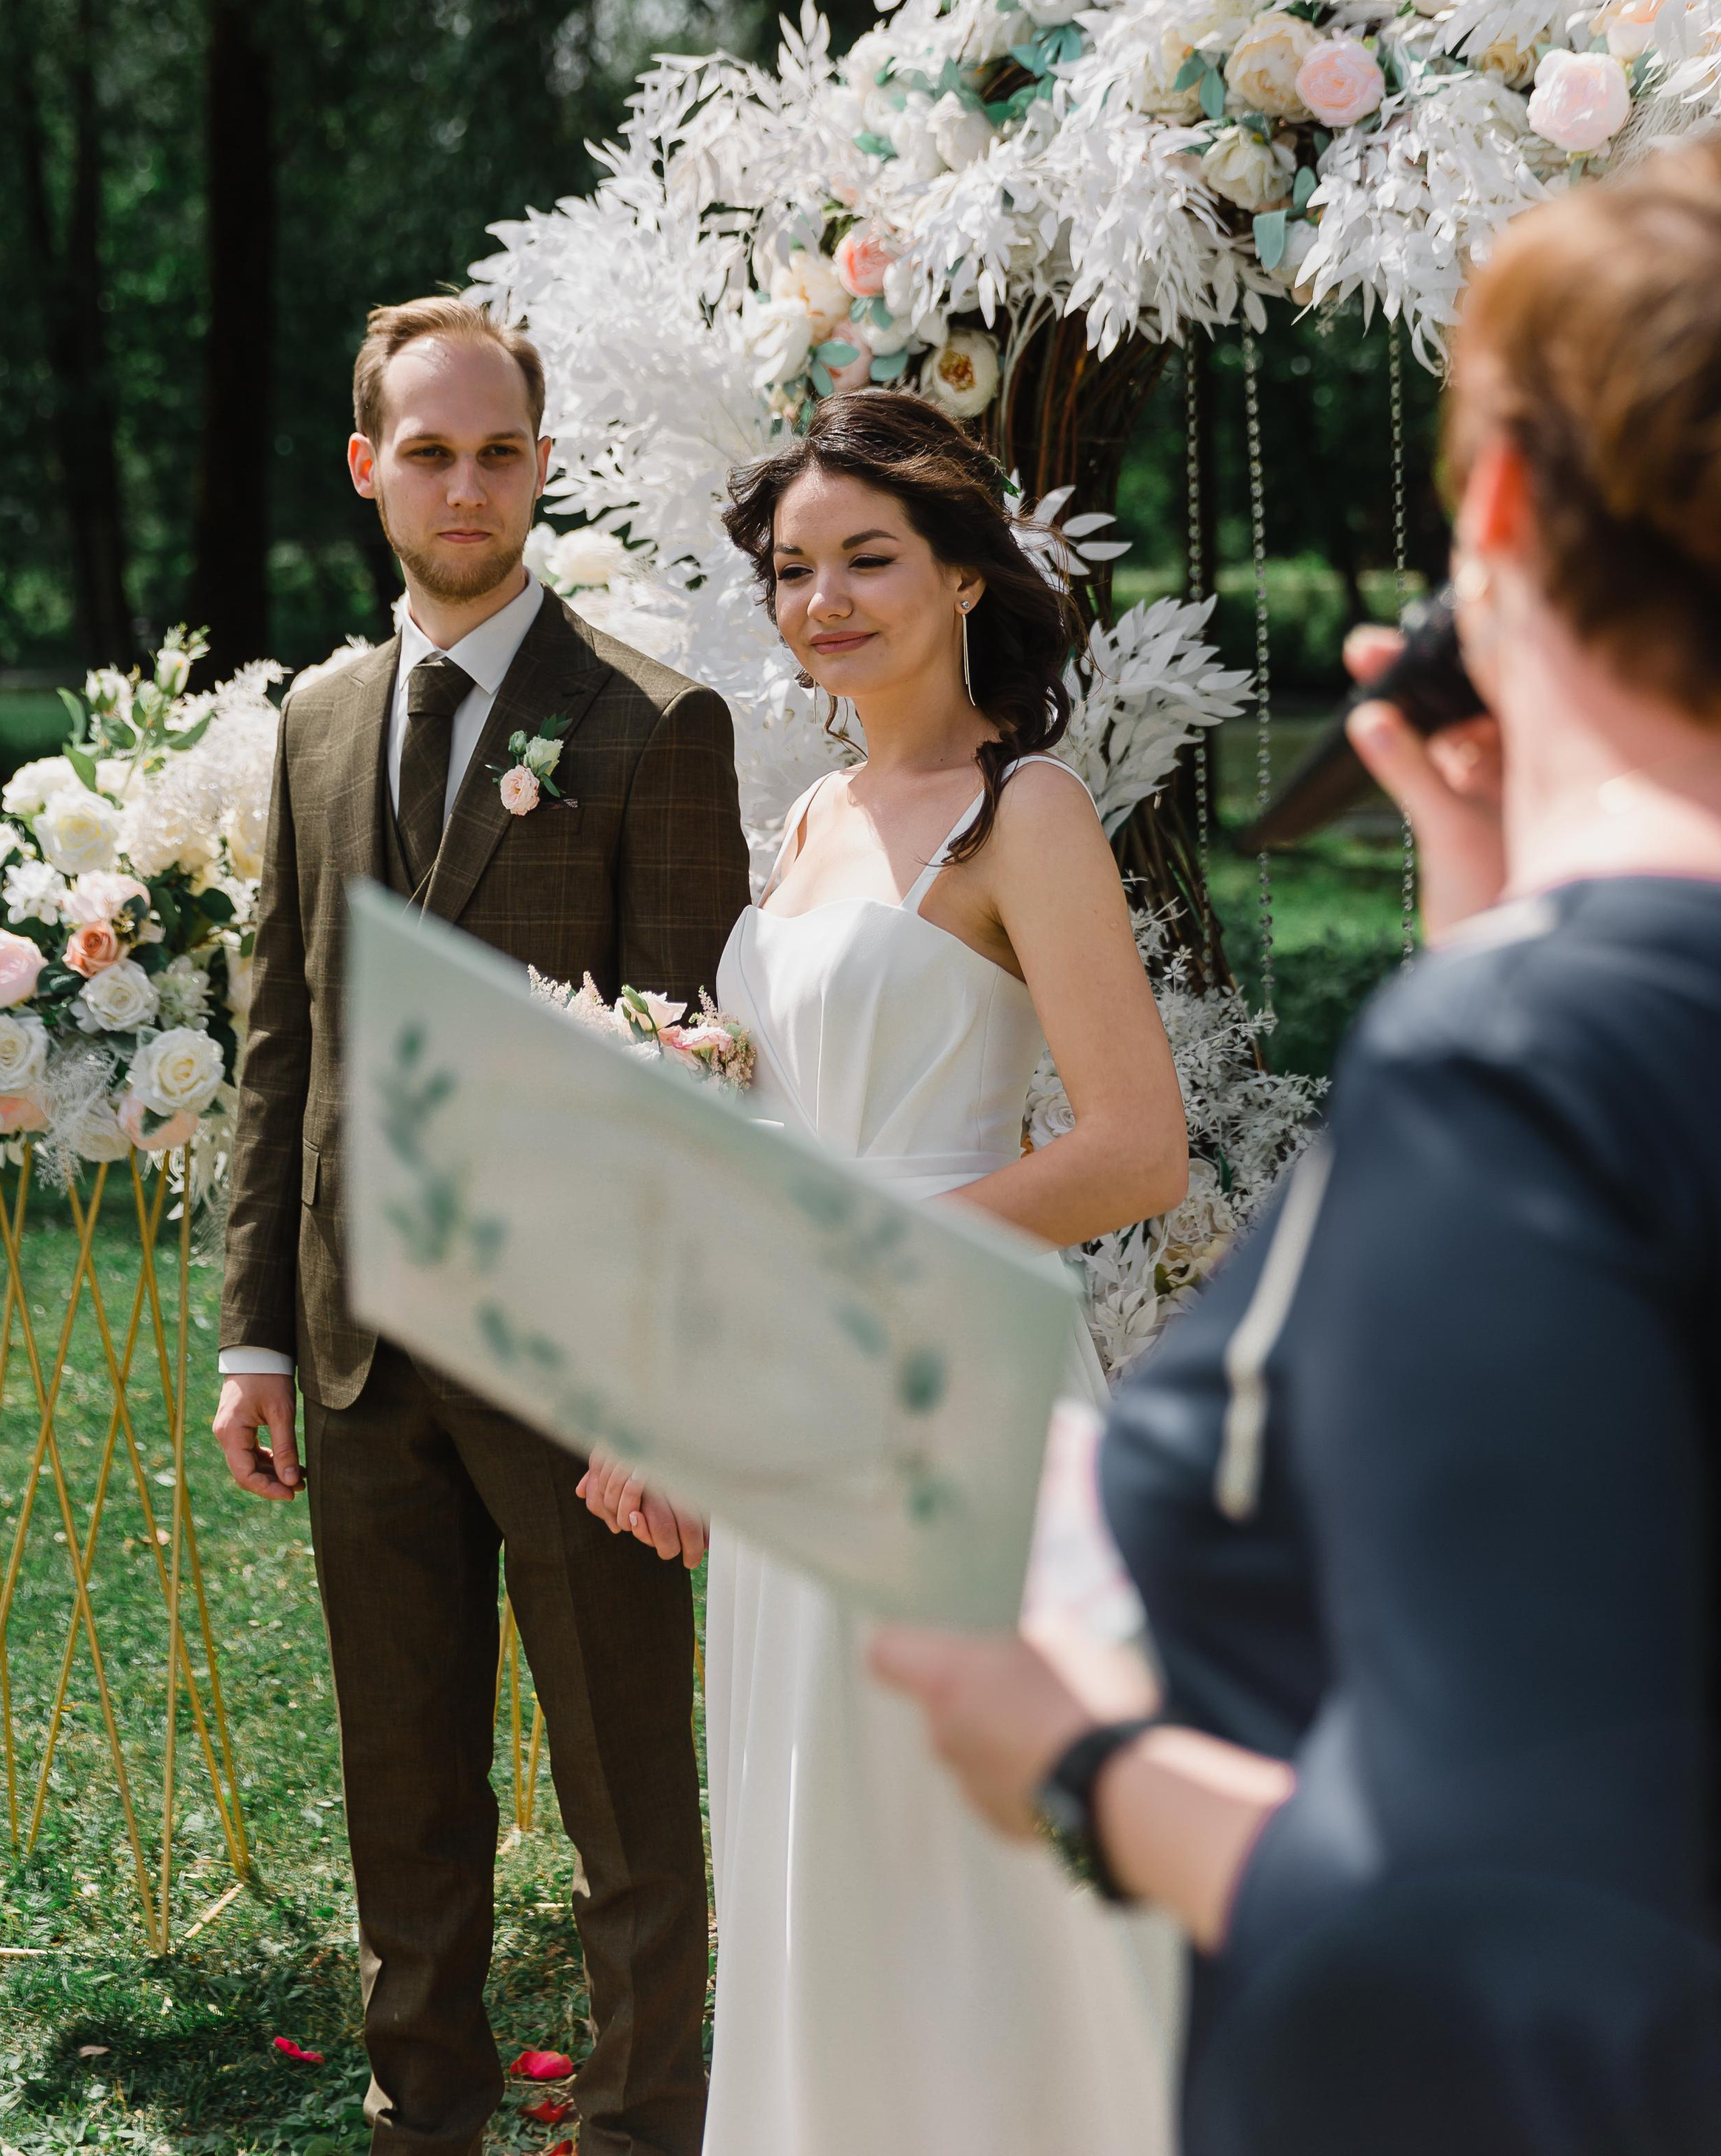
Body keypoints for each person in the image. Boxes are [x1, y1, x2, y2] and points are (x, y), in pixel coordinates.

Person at [871, 132, 1721, 2152]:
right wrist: (1494, 890)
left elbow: (1508, 1960)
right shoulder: (1581, 1023)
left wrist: (1085, 1759)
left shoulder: (1533, 1072)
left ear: (1511, 506)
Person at [588, 390, 1190, 2155]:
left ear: (958, 578)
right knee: (813, 1822)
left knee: (959, 1846)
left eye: (866, 560)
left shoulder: (1029, 813)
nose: (822, 600)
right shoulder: (810, 822)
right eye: (791, 571)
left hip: (953, 1392)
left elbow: (1131, 1148)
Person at [212, 296, 751, 2156]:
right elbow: (282, 1033)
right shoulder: (315, 721)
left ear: (541, 465)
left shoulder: (649, 726)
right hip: (358, 1352)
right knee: (403, 1793)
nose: (465, 482)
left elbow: (698, 1091)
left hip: (574, 1364)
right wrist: (255, 1331)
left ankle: (635, 2133)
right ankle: (418, 2117)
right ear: (370, 471)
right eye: (427, 452)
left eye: (497, 450)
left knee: (625, 1809)